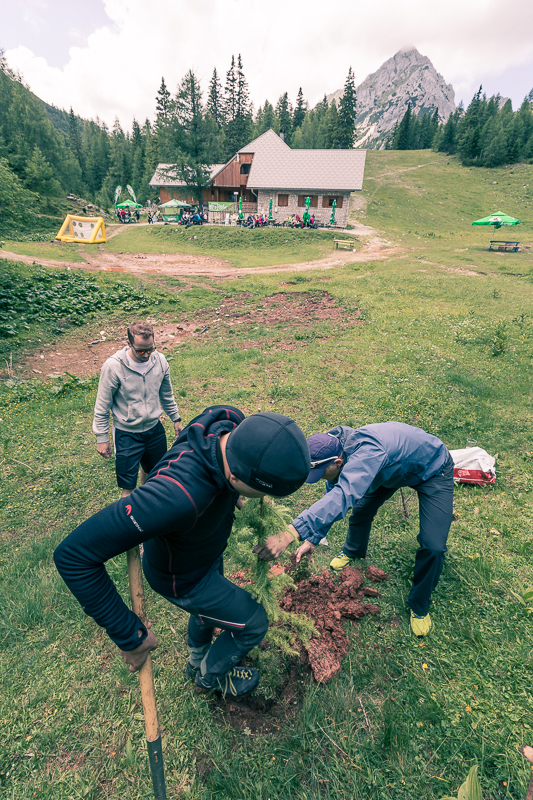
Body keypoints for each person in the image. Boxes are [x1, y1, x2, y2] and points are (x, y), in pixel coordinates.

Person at [54, 407, 311, 698]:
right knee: (254, 624)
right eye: (261, 491)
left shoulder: (227, 421)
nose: (261, 498)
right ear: (237, 476)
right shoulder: (175, 498)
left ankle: (196, 661)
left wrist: (235, 493)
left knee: (207, 614)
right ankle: (208, 679)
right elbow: (73, 556)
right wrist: (129, 636)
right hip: (184, 578)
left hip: (204, 550)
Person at [255, 422, 454, 638]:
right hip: (388, 470)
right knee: (360, 511)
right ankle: (353, 550)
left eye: (322, 473)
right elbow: (332, 494)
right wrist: (313, 539)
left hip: (431, 469)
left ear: (337, 462)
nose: (321, 478)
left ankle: (420, 604)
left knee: (433, 545)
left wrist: (290, 533)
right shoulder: (335, 446)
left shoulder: (367, 454)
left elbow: (342, 496)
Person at [93, 321, 182, 498]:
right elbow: (102, 406)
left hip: (154, 429)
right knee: (128, 486)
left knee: (155, 474)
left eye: (150, 349)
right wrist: (102, 438)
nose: (147, 354)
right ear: (129, 344)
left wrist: (175, 418)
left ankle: (147, 502)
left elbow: (166, 394)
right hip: (127, 433)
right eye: (141, 350)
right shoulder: (113, 367)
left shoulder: (160, 361)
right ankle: (128, 520)